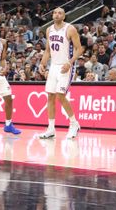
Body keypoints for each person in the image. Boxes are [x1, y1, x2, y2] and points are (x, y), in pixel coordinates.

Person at [37, 8, 82, 139]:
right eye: (55, 13)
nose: (57, 14)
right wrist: (42, 64)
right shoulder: (49, 30)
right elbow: (47, 50)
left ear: (64, 16)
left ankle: (74, 123)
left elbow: (79, 49)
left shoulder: (70, 29)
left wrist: (70, 62)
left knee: (60, 95)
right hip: (54, 66)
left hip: (66, 65)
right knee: (50, 96)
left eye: (60, 13)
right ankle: (51, 129)